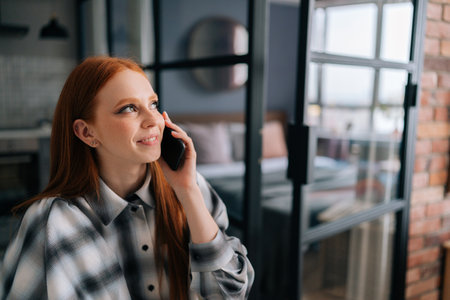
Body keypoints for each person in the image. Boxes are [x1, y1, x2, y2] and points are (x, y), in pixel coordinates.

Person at [0, 56, 254, 299]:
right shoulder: (53, 221)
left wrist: (188, 191)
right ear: (87, 132)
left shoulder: (193, 188)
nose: (153, 120)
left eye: (153, 104)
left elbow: (229, 295)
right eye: (129, 108)